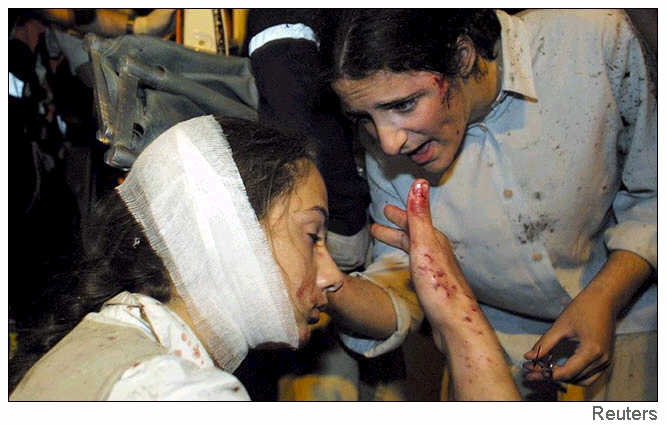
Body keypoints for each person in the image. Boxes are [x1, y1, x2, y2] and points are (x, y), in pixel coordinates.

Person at [9, 116, 518, 400]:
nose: (331, 274)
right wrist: (454, 312)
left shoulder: (111, 336)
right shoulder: (181, 398)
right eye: (312, 235)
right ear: (226, 231)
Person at [329, 9, 656, 400]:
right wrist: (325, 286)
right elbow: (405, 270)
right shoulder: (388, 139)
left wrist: (606, 296)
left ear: (463, 56)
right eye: (364, 118)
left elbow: (654, 189)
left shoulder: (592, 39)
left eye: (404, 105)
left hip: (632, 323)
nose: (387, 144)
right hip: (492, 352)